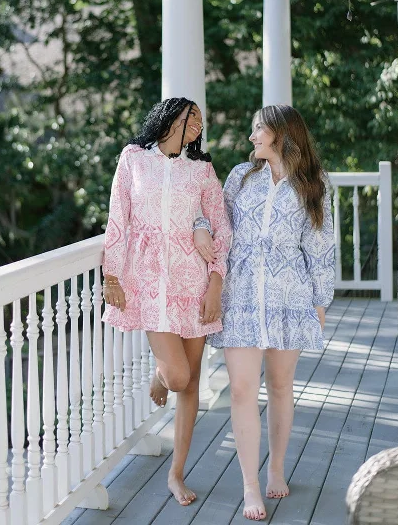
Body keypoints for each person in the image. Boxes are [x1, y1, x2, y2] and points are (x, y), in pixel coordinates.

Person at [194, 104, 335, 521]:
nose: (252, 136)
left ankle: (275, 468)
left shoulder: (315, 184)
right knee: (240, 389)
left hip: (290, 298)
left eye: (259, 129)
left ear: (282, 135)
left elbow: (322, 248)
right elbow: (214, 217)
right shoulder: (241, 177)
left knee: (279, 385)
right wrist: (201, 224)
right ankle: (249, 486)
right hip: (239, 298)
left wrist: (319, 302)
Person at [102, 97, 232, 506]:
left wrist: (215, 284)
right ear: (169, 117)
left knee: (191, 382)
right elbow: (118, 217)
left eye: (200, 119)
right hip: (147, 281)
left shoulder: (202, 170)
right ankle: (161, 373)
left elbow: (221, 229)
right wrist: (111, 274)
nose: (197, 123)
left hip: (193, 281)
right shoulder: (133, 159)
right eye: (190, 115)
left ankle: (177, 473)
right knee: (177, 376)